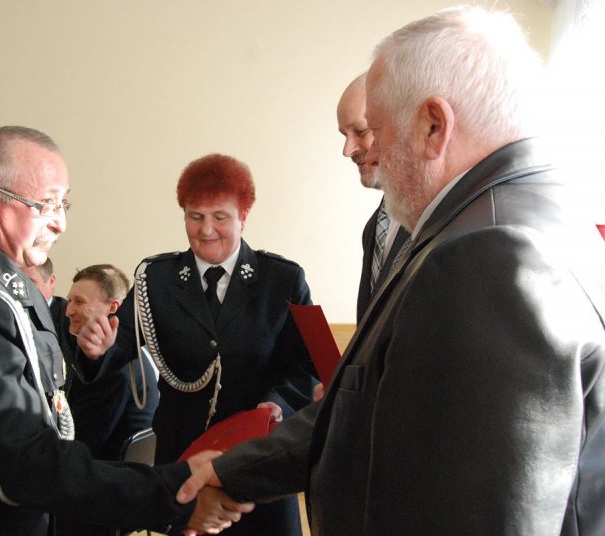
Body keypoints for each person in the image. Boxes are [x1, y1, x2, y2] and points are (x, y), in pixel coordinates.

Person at [178, 7, 605, 535]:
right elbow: (372, 400)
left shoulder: (491, 252)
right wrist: (234, 471)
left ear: (433, 126)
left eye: (375, 129)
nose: (361, 150)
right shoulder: (532, 212)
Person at [0, 126, 251, 536]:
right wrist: (172, 495)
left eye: (64, 204)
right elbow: (21, 459)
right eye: (46, 204)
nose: (60, 223)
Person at [76, 152, 319, 536]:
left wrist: (279, 403)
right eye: (195, 216)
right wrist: (96, 349)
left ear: (243, 216)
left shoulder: (284, 279)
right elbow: (119, 344)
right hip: (183, 463)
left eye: (220, 217)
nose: (206, 230)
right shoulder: (155, 278)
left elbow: (308, 365)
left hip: (259, 461)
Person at [26, 260, 159, 460]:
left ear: (112, 308)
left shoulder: (113, 366)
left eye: (79, 302)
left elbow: (80, 441)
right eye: (70, 301)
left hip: (108, 470)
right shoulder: (110, 357)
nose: (68, 311)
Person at [337, 73, 410, 320]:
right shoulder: (374, 226)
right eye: (344, 135)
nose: (347, 150)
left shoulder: (439, 220)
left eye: (360, 131)